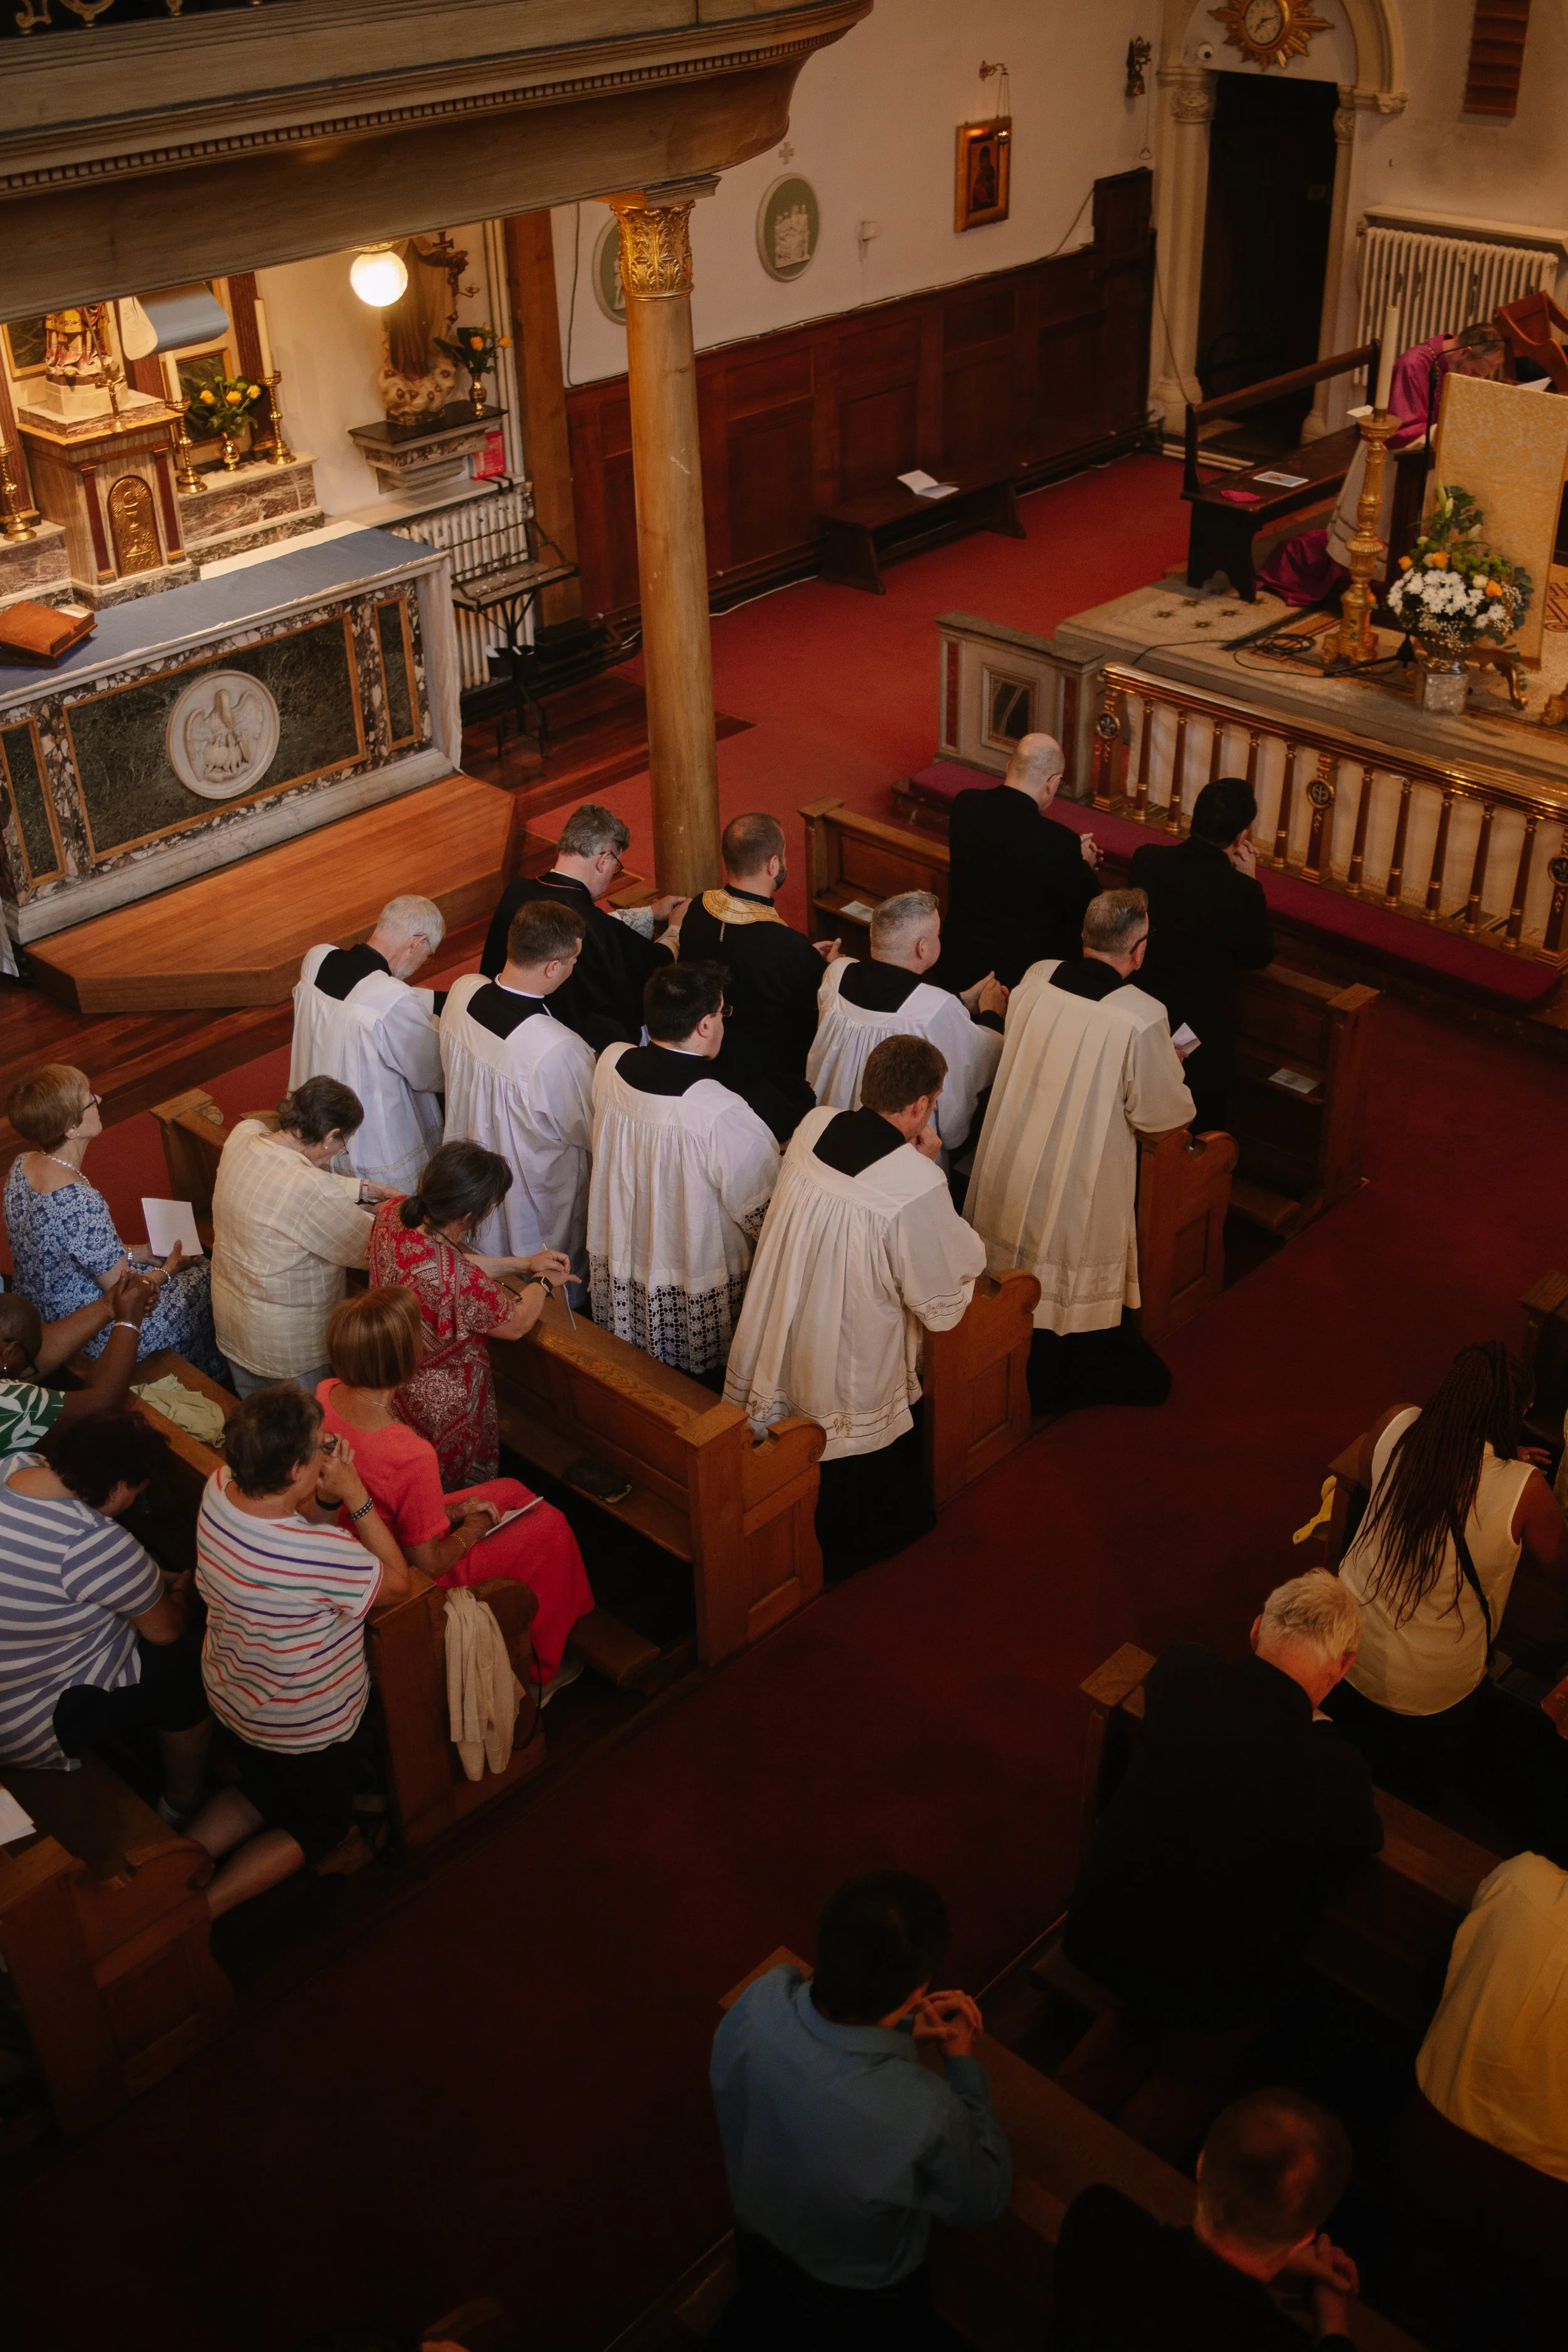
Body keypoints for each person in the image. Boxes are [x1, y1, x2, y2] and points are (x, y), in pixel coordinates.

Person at [1062, 1574, 1380, 2149]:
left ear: (1258, 1627)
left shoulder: (1184, 1673)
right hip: (1213, 1986)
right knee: (1189, 2074)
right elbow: (1355, 1851)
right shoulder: (1336, 1771)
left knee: (1133, 2014)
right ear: (1342, 1667)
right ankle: (1119, 2177)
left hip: (1105, 1925)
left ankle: (1037, 2143)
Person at [709, 1870, 1010, 2349]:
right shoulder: (926, 2111)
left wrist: (902, 2030)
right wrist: (962, 2065)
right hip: (860, 2304)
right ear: (918, 1991)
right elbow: (984, 2199)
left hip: (756, 2246)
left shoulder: (760, 2002)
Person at [725, 1035, 987, 1580]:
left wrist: (920, 1172)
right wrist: (929, 1174)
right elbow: (941, 1291)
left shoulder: (817, 1124)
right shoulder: (916, 1184)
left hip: (786, 1312)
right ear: (920, 1105)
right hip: (845, 1337)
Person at [965, 889, 1195, 1413]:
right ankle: (1061, 1362)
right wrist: (1171, 1067)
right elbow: (1161, 1115)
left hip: (1013, 1151)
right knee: (1067, 1267)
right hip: (1078, 1173)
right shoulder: (1141, 1016)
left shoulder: (1038, 977)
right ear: (1137, 951)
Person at [186, 1383, 411, 1914]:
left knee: (263, 1789)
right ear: (292, 1472)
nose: (328, 1449)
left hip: (234, 1689)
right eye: (318, 1446)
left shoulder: (219, 1488)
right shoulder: (322, 1553)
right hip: (305, 1725)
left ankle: (169, 1871)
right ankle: (196, 1913)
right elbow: (398, 1585)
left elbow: (294, 1528)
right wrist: (355, 1497)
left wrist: (324, 1495)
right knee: (316, 1830)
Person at [1327, 1341, 1568, 1807]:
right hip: (1428, 1699)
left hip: (1341, 1653)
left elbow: (1371, 1480)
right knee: (1412, 1796)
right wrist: (1506, 1468)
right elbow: (1561, 1570)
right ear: (1518, 1410)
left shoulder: (1397, 1423)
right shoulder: (1525, 1490)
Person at [317, 1287, 592, 1693]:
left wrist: (460, 1506)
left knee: (511, 1490)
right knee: (550, 1528)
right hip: (401, 1565)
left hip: (365, 1531)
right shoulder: (411, 1454)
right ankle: (539, 1670)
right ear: (404, 1357)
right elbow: (428, 1563)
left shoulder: (328, 1392)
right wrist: (472, 1527)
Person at [1387, 1851, 1568, 2351]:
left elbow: (1441, 1986)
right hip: (1551, 2207)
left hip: (1434, 2141)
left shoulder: (1520, 1879)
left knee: (1412, 2300)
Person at [0, 1411, 209, 1825]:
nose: (134, 1503)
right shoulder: (92, 1540)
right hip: (25, 1720)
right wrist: (183, 1588)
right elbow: (166, 1631)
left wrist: (153, 1576)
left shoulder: (14, 1465)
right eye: (137, 1492)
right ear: (114, 1488)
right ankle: (182, 1803)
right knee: (182, 1665)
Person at [1054, 2089, 1360, 2349]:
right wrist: (1333, 2323)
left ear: (1201, 2164)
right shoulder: (1278, 2341)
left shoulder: (1099, 2220)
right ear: (1304, 2238)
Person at [588, 963, 779, 1380]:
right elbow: (763, 1211)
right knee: (697, 1384)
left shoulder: (612, 1064)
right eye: (722, 1013)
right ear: (706, 1025)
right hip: (692, 1263)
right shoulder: (719, 1111)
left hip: (627, 1244)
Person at [1258, 322, 1507, 607]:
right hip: (1390, 463)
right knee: (1377, 536)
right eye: (1476, 373)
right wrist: (1452, 432)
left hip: (1426, 460)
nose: (1476, 381)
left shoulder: (1454, 362)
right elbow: (1401, 429)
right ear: (1466, 353)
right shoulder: (1415, 364)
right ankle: (1370, 586)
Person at [4, 1062, 224, 1379]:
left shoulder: (22, 1165)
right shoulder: (79, 1200)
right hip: (88, 1327)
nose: (100, 1100)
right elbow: (126, 1294)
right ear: (71, 1128)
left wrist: (142, 1253)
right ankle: (209, 1374)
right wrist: (169, 1268)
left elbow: (80, 1250)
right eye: (90, 1100)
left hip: (39, 1305)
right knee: (206, 1277)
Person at [367, 1140, 568, 1486]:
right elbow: (516, 1324)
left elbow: (449, 1262)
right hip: (441, 1401)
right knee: (443, 1482)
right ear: (469, 1216)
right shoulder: (458, 1279)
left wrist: (523, 1263)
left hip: (389, 1368)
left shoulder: (394, 1212)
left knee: (404, 1472)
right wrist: (544, 1282)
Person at [439, 899, 595, 1285]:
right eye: (573, 960)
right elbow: (590, 1130)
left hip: (467, 1179)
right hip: (528, 1194)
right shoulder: (557, 1048)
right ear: (553, 967)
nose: (574, 967)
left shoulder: (462, 991)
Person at [210, 1078, 386, 1398]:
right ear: (331, 1135)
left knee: (258, 1423)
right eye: (341, 1143)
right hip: (288, 1349)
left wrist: (365, 1189)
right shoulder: (310, 1189)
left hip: (233, 1322)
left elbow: (279, 1185)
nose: (337, 1152)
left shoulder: (243, 1135)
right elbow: (368, 1249)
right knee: (306, 1435)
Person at [673, 810, 838, 1143]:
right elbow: (814, 1016)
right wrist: (829, 969)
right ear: (773, 864)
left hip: (698, 1060)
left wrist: (804, 957)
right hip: (762, 1088)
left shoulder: (697, 910)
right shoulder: (789, 947)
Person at [807, 892, 1005, 1162]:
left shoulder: (837, 974)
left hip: (828, 1126)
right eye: (937, 933)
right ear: (922, 947)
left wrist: (959, 1001)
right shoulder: (937, 1008)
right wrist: (992, 1013)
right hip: (894, 1148)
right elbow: (978, 1056)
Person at [1129, 776, 1274, 1133]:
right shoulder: (1242, 892)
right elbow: (1258, 954)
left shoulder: (1148, 861)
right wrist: (1249, 880)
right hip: (1198, 1037)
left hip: (1139, 1017)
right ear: (1240, 837)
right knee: (1196, 1120)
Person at [479, 802, 684, 1051]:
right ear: (605, 860)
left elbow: (601, 926)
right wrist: (675, 930)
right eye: (616, 867)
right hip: (568, 1048)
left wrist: (649, 913)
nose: (612, 874)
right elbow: (653, 964)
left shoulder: (518, 890)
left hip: (499, 1021)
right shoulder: (589, 924)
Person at [289, 896, 447, 1193]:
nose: (423, 963)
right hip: (369, 1140)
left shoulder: (317, 959)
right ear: (417, 942)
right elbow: (428, 1070)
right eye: (429, 954)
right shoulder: (392, 998)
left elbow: (345, 1008)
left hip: (314, 1116)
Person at [935, 733, 1100, 991]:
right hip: (1014, 982)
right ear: (1053, 783)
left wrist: (1069, 855)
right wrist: (1083, 864)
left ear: (1009, 767)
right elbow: (1085, 907)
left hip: (957, 965)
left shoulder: (966, 804)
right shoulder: (1058, 842)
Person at [0, 1268, 159, 1450]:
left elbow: (47, 1348)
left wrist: (109, 1305)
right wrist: (130, 1319)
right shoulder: (9, 1403)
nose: (23, 1375)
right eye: (26, 1367)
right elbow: (102, 1404)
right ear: (10, 1353)